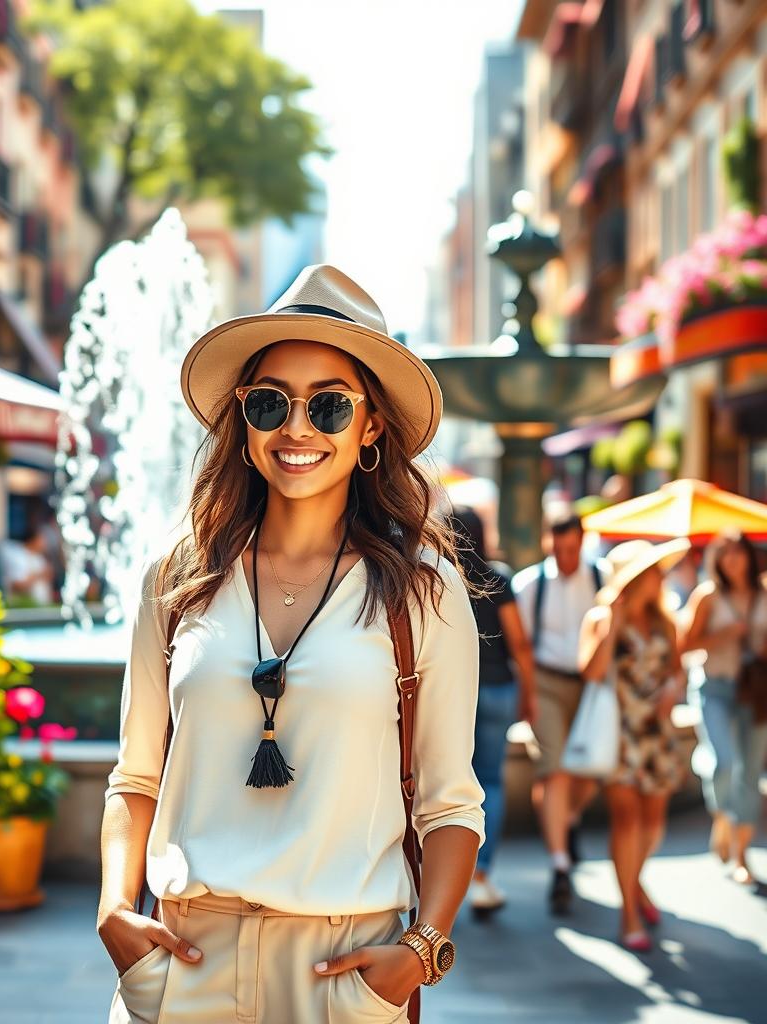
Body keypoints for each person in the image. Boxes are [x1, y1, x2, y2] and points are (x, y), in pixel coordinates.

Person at [98, 265, 484, 1023]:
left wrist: (420, 951)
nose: (297, 429)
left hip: (342, 975)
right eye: (271, 402)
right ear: (243, 419)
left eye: (330, 406)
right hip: (182, 964)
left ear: (371, 425)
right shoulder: (176, 576)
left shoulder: (422, 592)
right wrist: (115, 907)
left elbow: (451, 806)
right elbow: (135, 776)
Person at [578, 539, 689, 951]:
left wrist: (672, 690)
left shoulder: (665, 620)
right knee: (627, 820)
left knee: (654, 822)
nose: (661, 576)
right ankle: (628, 911)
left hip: (656, 730)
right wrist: (613, 621)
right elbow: (590, 672)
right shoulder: (602, 617)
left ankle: (635, 882)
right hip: (617, 732)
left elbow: (678, 671)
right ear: (635, 578)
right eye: (653, 570)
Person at [512, 509, 603, 915]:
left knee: (590, 770)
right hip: (547, 683)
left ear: (582, 543)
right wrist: (528, 696)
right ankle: (560, 865)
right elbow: (522, 648)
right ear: (549, 543)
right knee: (556, 768)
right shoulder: (531, 585)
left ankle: (565, 823)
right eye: (559, 549)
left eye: (573, 549)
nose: (567, 557)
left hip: (590, 685)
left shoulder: (601, 580)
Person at [449, 506, 537, 919]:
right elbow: (520, 643)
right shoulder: (498, 578)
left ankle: (440, 881)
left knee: (444, 785)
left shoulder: (437, 578)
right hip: (500, 689)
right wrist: (530, 692)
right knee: (492, 783)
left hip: (452, 694)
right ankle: (481, 875)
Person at [681, 529, 767, 886]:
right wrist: (725, 636)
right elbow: (685, 644)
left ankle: (742, 854)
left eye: (738, 552)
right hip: (714, 687)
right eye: (725, 553)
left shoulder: (763, 593)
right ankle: (721, 815)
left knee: (751, 772)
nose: (733, 559)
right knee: (723, 761)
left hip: (756, 691)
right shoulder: (708, 596)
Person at [3, 527, 55, 605]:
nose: (45, 544)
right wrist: (39, 575)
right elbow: (17, 586)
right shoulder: (16, 556)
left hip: (41, 606)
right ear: (34, 539)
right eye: (42, 540)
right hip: (24, 607)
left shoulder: (39, 558)